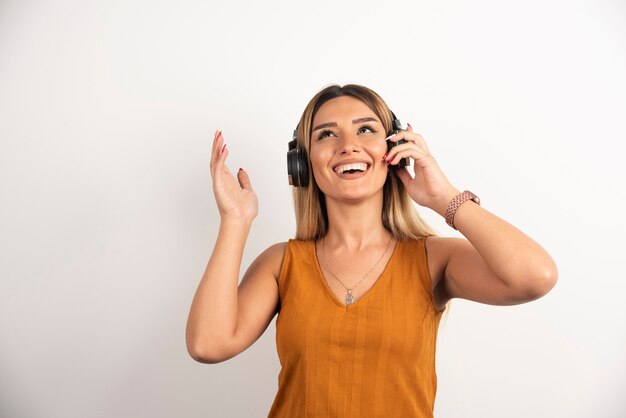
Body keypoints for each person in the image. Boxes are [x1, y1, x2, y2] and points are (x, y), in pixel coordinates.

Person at [185, 84, 558, 417]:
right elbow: (207, 344)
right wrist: (235, 220)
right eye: (326, 134)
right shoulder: (282, 263)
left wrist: (444, 196)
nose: (348, 145)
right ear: (301, 164)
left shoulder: (434, 259)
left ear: (394, 148)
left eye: (365, 129)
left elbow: (535, 277)